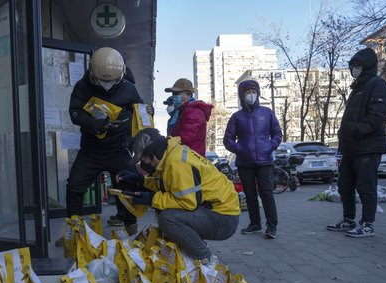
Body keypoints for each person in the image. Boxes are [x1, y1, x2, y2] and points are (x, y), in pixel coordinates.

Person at [118, 129, 240, 262]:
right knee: (164, 210)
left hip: (224, 219)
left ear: (153, 154)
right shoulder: (171, 156)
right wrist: (139, 180)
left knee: (168, 218)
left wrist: (152, 199)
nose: (143, 163)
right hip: (215, 211)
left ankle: (206, 258)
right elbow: (168, 185)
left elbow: (187, 203)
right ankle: (184, 250)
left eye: (143, 159)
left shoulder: (177, 163)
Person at [62, 47, 144, 242]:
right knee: (74, 187)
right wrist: (92, 123)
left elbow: (140, 111)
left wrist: (139, 122)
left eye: (111, 81)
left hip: (119, 148)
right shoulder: (82, 87)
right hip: (91, 149)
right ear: (92, 72)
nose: (106, 85)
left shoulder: (129, 88)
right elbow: (74, 112)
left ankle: (130, 224)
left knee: (128, 185)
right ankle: (74, 230)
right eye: (102, 81)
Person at [327, 47, 386, 237]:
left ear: (368, 66)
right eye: (353, 65)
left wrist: (358, 131)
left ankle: (368, 224)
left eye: (358, 65)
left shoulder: (378, 84)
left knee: (366, 186)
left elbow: (378, 115)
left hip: (367, 146)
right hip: (350, 147)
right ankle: (349, 219)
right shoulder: (358, 87)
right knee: (344, 186)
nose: (355, 68)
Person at [223, 80, 282, 239]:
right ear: (242, 95)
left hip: (265, 161)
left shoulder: (267, 113)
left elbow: (277, 133)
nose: (251, 95)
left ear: (258, 93)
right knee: (250, 194)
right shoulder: (237, 117)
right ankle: (255, 223)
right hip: (245, 163)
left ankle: (271, 226)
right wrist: (240, 149)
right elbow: (227, 140)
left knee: (267, 193)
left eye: (253, 91)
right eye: (247, 92)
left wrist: (271, 146)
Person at [164, 78, 213, 156]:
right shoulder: (182, 112)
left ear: (188, 95)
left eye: (177, 94)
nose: (174, 97)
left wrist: (164, 143)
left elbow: (185, 138)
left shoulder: (193, 112)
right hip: (184, 159)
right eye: (173, 94)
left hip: (189, 161)